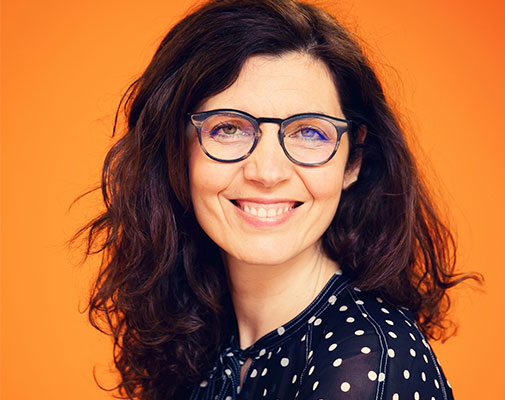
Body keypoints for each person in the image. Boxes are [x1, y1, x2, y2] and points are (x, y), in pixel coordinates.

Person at [76, 0, 480, 399]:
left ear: (353, 160)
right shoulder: (203, 341)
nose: (267, 173)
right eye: (229, 128)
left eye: (309, 132)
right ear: (175, 151)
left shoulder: (367, 364)